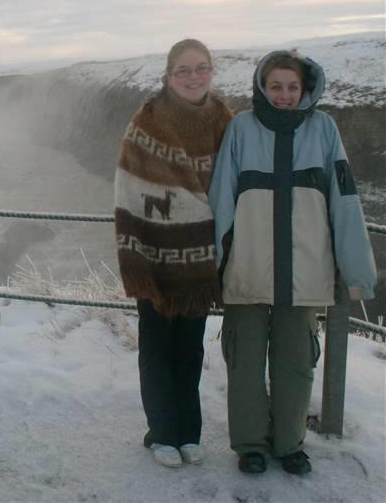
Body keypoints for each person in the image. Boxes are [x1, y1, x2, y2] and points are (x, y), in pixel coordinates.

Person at [208, 50, 377, 476]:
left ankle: (289, 444)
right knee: (245, 361)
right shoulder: (242, 128)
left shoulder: (324, 129)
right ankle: (249, 444)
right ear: (262, 87)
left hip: (305, 271)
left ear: (305, 90)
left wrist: (357, 270)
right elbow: (221, 197)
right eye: (275, 86)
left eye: (292, 87)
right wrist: (210, 264)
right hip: (247, 268)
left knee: (296, 360)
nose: (284, 95)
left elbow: (345, 199)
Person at [114, 39, 233, 468]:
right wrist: (135, 256)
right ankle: (162, 433)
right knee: (156, 348)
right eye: (183, 70)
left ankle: (189, 433)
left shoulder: (225, 122)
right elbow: (127, 188)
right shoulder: (146, 123)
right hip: (156, 254)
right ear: (168, 76)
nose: (193, 76)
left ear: (211, 71)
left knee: (190, 350)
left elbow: (234, 186)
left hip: (201, 259)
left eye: (201, 67)